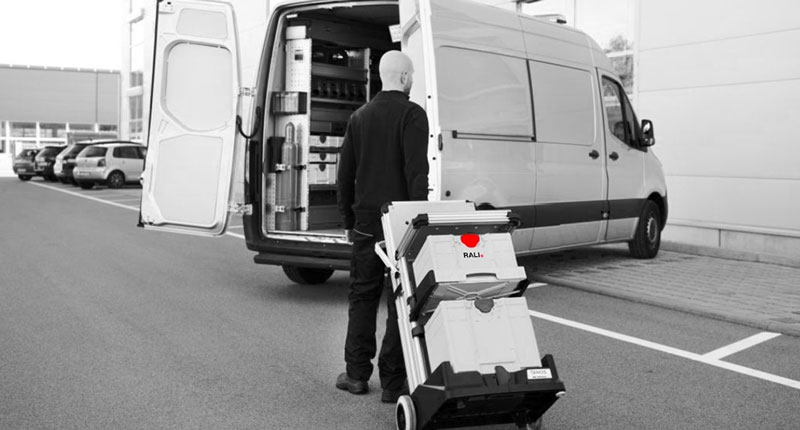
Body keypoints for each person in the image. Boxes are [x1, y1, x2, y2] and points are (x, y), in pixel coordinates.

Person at [335, 50, 429, 403]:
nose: (412, 80)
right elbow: (417, 174)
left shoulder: (359, 117)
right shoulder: (413, 115)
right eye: (412, 74)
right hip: (399, 223)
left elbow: (345, 176)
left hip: (364, 223)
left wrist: (348, 221)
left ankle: (356, 375)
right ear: (404, 77)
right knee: (399, 301)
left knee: (362, 296)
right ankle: (393, 382)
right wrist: (419, 224)